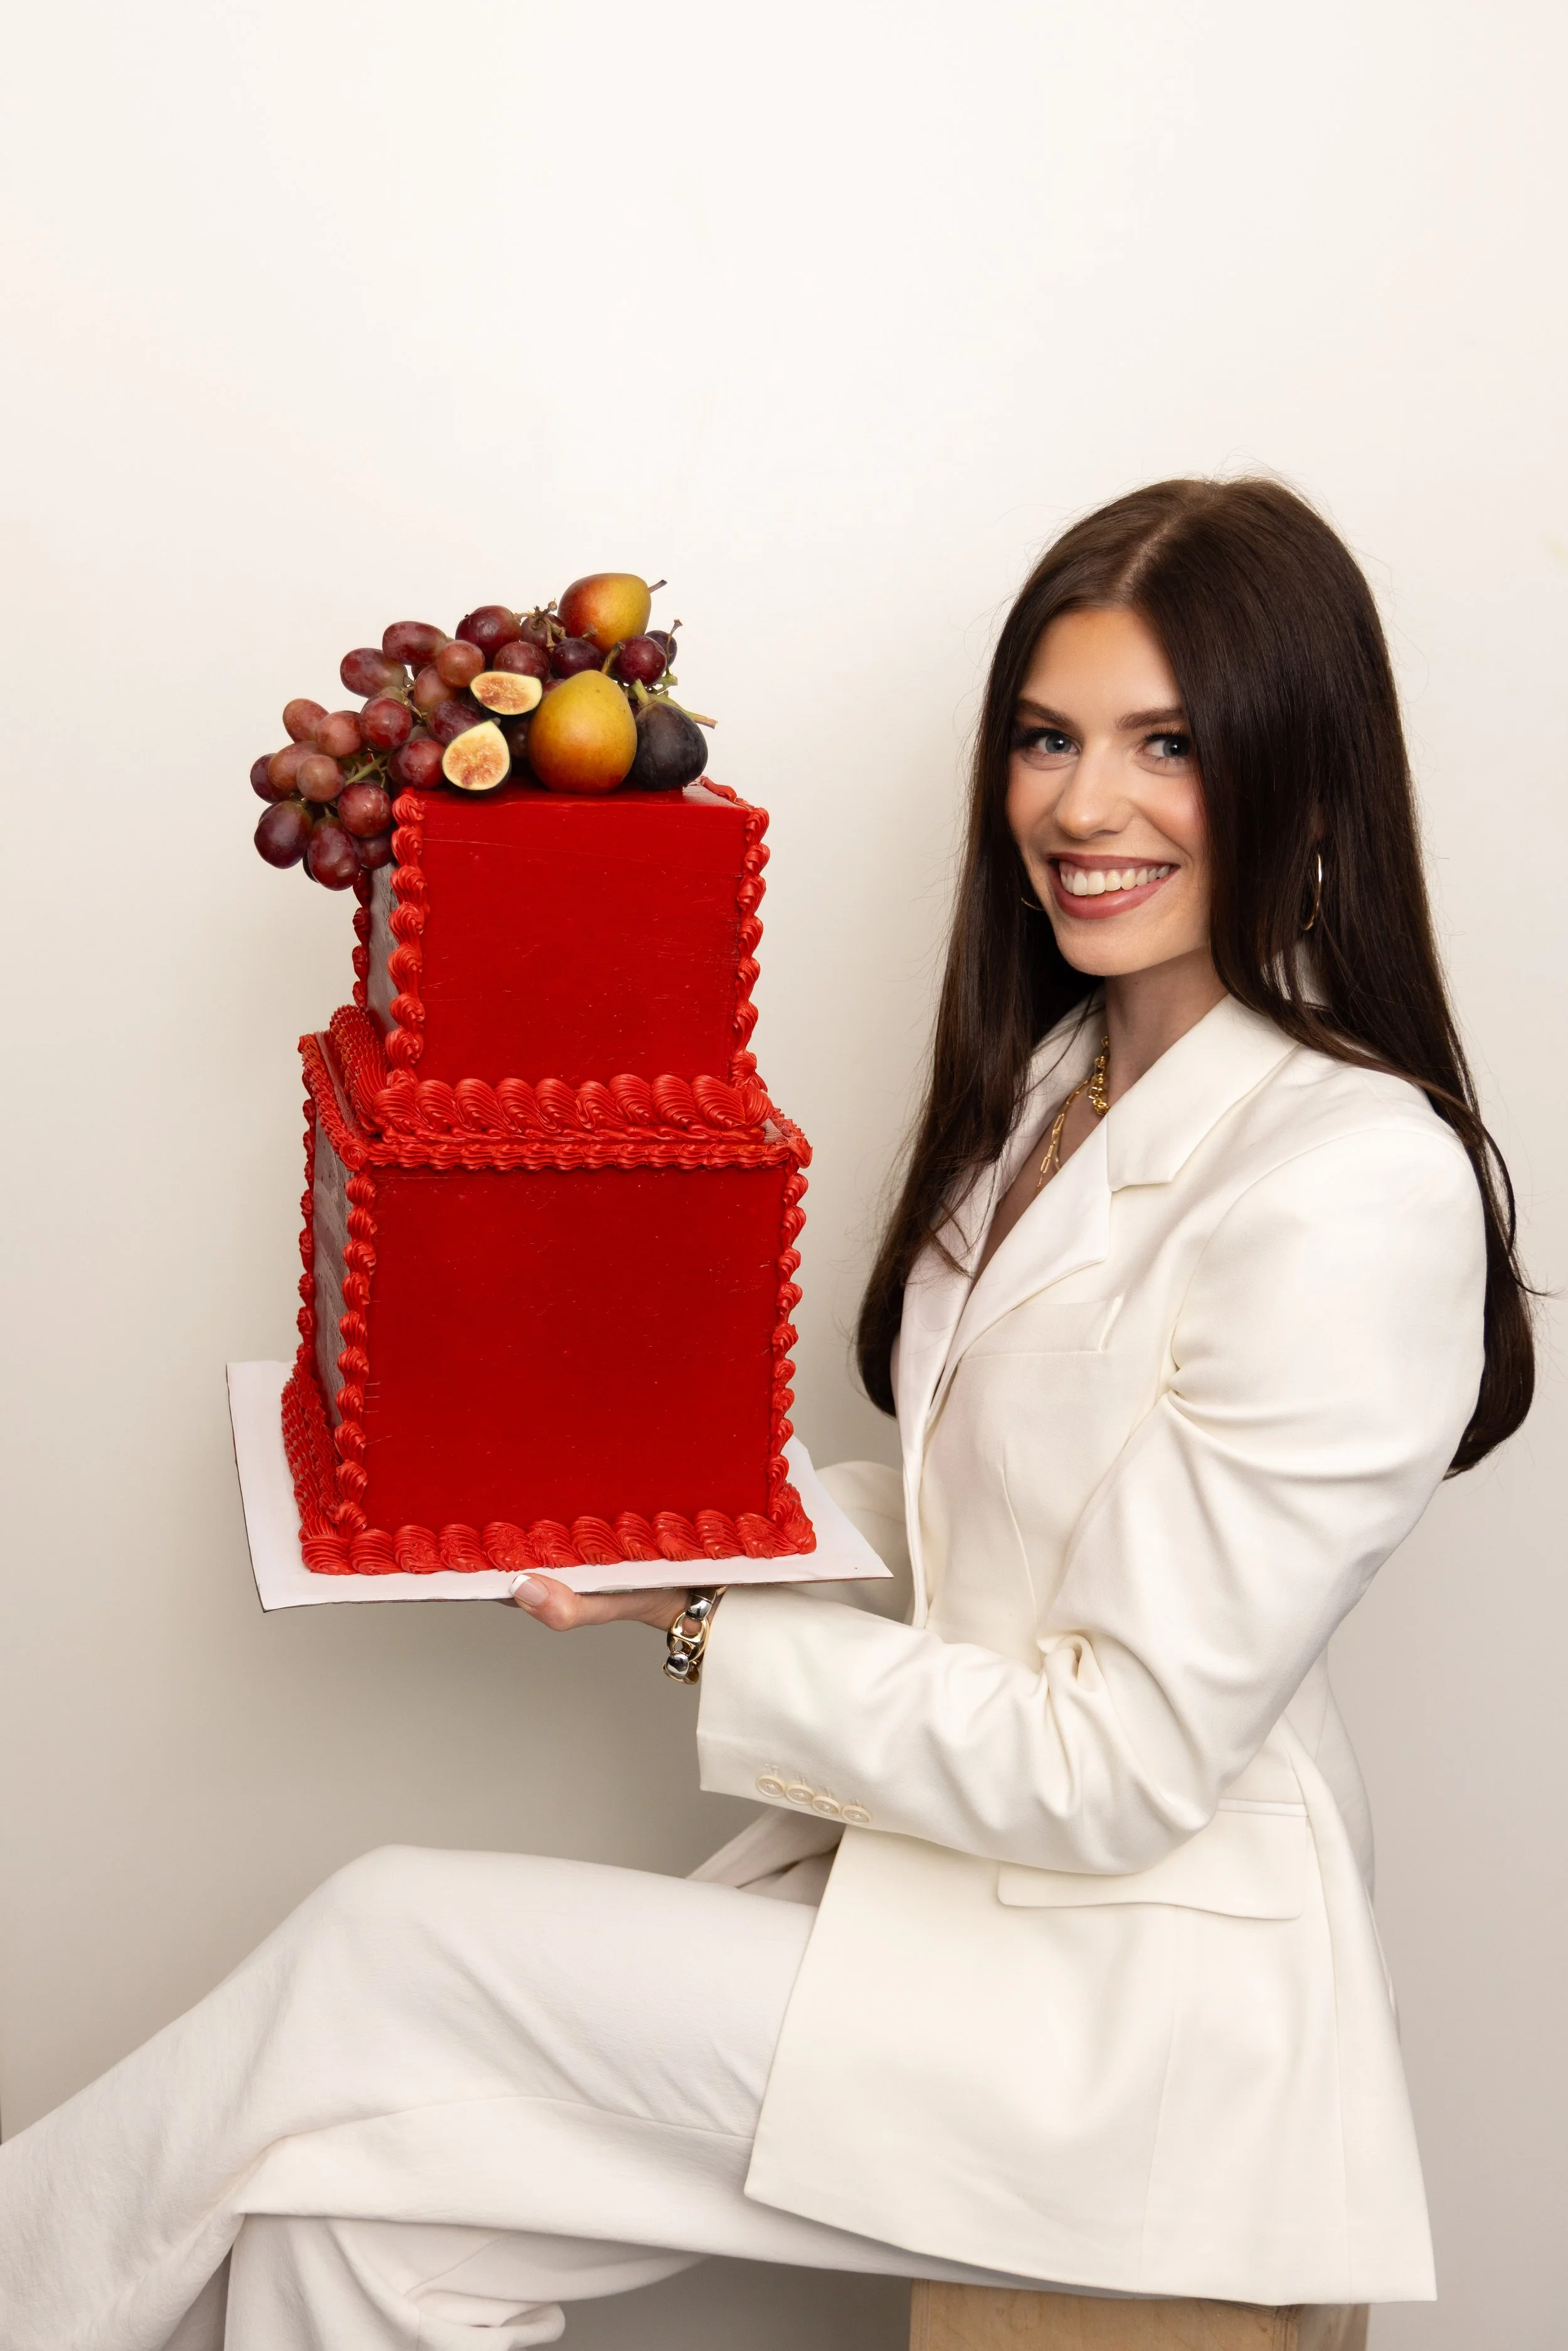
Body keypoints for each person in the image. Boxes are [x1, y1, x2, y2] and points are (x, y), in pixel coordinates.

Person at [0, 479, 1533, 2351]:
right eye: (1045, 739)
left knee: (384, 1934)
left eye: (1169, 746)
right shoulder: (1059, 1074)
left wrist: (722, 1631)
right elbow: (1025, 1507)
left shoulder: (1356, 1174)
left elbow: (1119, 1757)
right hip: (953, 1904)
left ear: (1309, 780)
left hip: (1126, 2004)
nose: (1081, 805)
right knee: (360, 2233)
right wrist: (682, 1526)